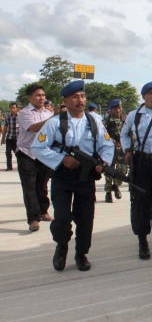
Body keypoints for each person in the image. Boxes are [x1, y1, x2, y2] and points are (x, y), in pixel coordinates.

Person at [31, 80, 114, 271]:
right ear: (66, 100)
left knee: (86, 218)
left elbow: (107, 145)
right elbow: (37, 147)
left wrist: (104, 162)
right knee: (61, 218)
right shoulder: (55, 122)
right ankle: (61, 247)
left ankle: (81, 254)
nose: (80, 100)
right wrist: (61, 160)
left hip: (86, 178)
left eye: (82, 96)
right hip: (63, 177)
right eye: (75, 97)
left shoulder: (95, 122)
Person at [120, 81, 152, 260]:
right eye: (150, 93)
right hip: (141, 162)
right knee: (140, 200)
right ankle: (143, 242)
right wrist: (126, 149)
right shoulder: (135, 115)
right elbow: (124, 134)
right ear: (144, 96)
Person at [16, 84, 54, 232]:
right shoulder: (24, 113)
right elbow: (34, 128)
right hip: (26, 153)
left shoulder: (48, 113)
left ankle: (43, 211)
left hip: (43, 153)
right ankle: (33, 218)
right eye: (38, 95)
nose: (41, 98)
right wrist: (55, 118)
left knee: (42, 184)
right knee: (29, 186)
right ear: (29, 97)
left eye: (43, 95)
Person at [103, 99, 128, 203]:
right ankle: (108, 192)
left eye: (119, 108)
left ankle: (116, 185)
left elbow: (129, 132)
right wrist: (110, 140)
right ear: (111, 109)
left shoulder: (125, 119)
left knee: (122, 171)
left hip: (121, 149)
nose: (118, 110)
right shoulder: (107, 120)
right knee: (109, 171)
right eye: (115, 108)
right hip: (110, 149)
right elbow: (102, 132)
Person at [2, 103, 19, 171]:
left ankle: (20, 166)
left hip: (18, 138)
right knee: (8, 153)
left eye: (14, 108)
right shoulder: (7, 117)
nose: (12, 109)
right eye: (11, 108)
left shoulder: (20, 116)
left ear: (16, 108)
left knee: (18, 153)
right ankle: (9, 167)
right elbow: (5, 127)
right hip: (9, 137)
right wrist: (3, 137)